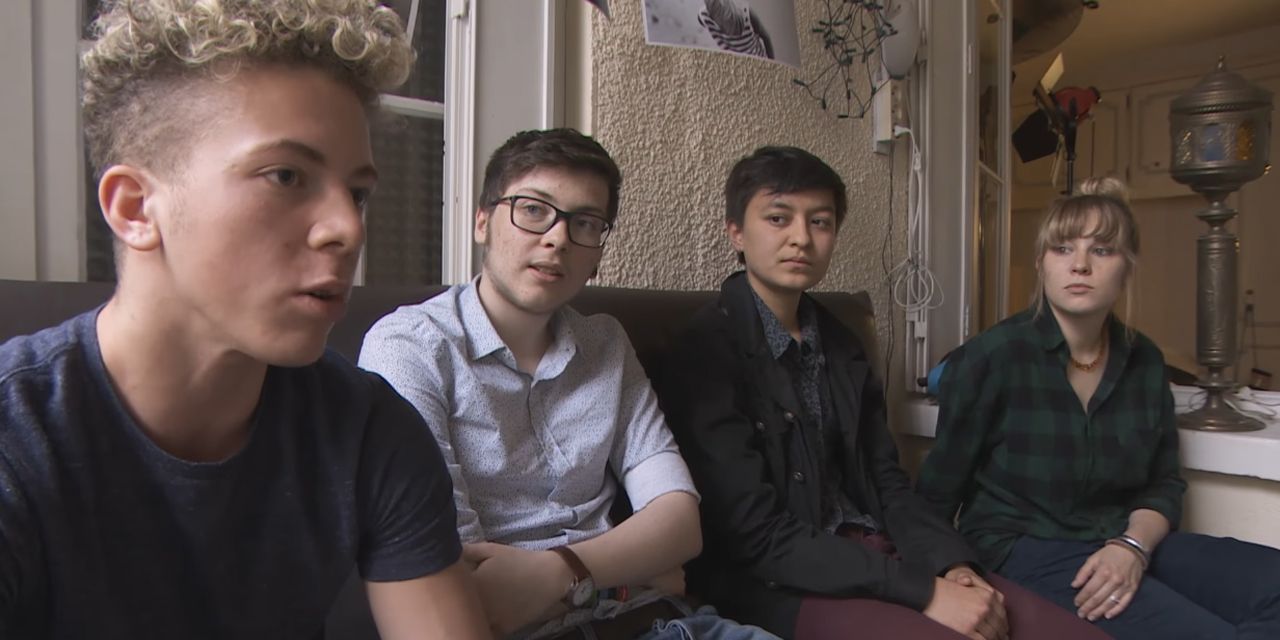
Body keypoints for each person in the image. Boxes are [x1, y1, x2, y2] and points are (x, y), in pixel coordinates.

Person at [0, 1, 491, 638]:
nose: (348, 228)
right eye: (286, 176)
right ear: (136, 208)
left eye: (357, 193)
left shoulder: (371, 433)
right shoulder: (17, 439)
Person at [656, 146, 1111, 640]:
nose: (801, 238)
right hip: (778, 583)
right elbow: (756, 535)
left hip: (875, 552)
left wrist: (950, 564)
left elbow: (886, 480)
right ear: (737, 232)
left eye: (820, 222)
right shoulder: (704, 352)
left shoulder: (840, 343)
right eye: (778, 218)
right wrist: (924, 591)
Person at [359, 128, 778, 640]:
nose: (558, 238)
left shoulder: (605, 342)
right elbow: (464, 585)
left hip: (669, 626)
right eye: (534, 210)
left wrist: (564, 571)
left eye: (584, 222)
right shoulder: (409, 348)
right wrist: (630, 576)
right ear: (483, 221)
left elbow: (680, 522)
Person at [917, 176, 1280, 639]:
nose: (1081, 265)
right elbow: (936, 494)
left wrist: (1132, 547)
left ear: (1127, 267)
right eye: (1063, 249)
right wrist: (948, 574)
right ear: (1041, 263)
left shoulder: (1145, 360)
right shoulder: (993, 357)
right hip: (1021, 546)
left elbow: (1162, 484)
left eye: (1102, 250)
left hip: (1122, 538)